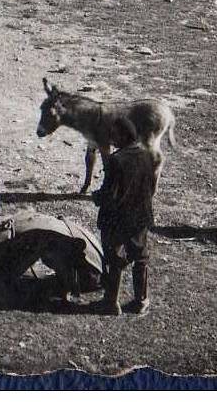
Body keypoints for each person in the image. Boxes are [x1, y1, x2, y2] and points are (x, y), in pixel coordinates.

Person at [94, 120, 159, 316]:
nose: (112, 140)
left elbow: (109, 194)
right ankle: (141, 300)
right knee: (140, 257)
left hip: (117, 219)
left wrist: (96, 197)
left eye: (114, 135)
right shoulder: (149, 156)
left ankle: (111, 302)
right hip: (140, 216)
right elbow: (150, 186)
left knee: (114, 258)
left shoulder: (116, 160)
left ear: (123, 136)